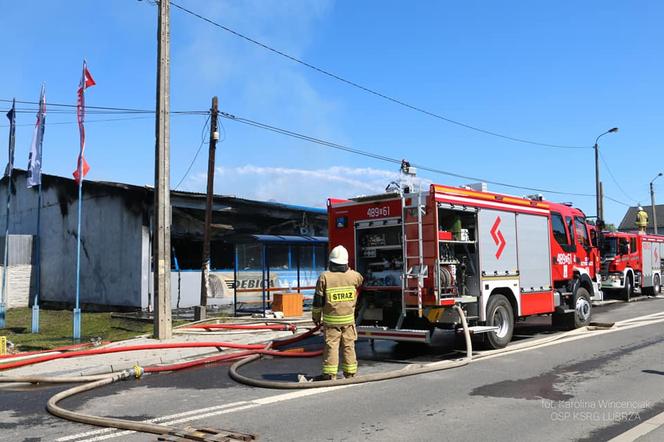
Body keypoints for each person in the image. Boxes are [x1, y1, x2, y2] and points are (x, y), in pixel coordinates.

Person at [312, 245, 363, 380]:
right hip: (348, 321)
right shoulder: (355, 276)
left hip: (331, 322)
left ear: (331, 262)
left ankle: (330, 375)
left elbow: (318, 301)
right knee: (349, 346)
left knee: (331, 347)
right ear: (346, 262)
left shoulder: (324, 277)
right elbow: (360, 285)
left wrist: (316, 316)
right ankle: (350, 373)